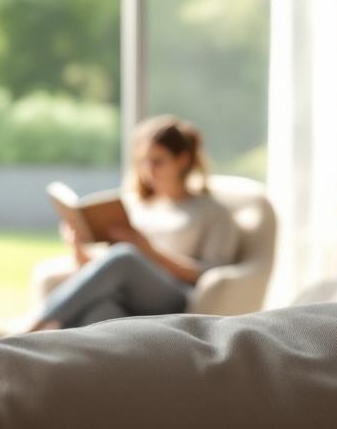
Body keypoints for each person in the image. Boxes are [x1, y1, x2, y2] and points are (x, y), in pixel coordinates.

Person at [26, 115, 239, 331]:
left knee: (125, 256)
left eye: (158, 161)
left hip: (175, 296)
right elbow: (111, 271)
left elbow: (210, 274)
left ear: (182, 159)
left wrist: (147, 250)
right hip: (128, 298)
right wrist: (78, 250)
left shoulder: (214, 213)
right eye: (143, 162)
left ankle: (33, 326)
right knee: (100, 310)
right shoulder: (137, 205)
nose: (149, 170)